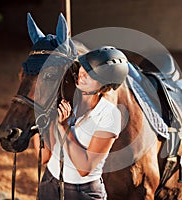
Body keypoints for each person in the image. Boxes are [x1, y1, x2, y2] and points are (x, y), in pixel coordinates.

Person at [34, 46, 129, 200]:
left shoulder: (109, 115)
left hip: (82, 193)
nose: (82, 74)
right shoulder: (65, 99)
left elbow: (84, 168)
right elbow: (43, 157)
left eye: (91, 74)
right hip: (49, 184)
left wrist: (64, 127)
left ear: (105, 85)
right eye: (83, 67)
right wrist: (42, 118)